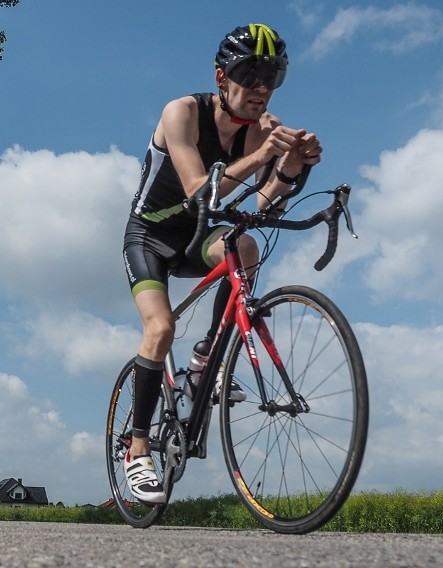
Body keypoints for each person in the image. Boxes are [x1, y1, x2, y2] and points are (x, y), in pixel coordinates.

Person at [121, 23, 322, 505]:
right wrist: (264, 158)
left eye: (272, 74)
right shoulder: (182, 113)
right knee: (160, 328)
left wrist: (294, 169)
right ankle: (137, 447)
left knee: (247, 247)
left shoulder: (262, 131)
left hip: (200, 239)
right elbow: (197, 193)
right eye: (250, 72)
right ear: (221, 77)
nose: (261, 87)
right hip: (150, 236)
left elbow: (262, 207)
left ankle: (207, 356)